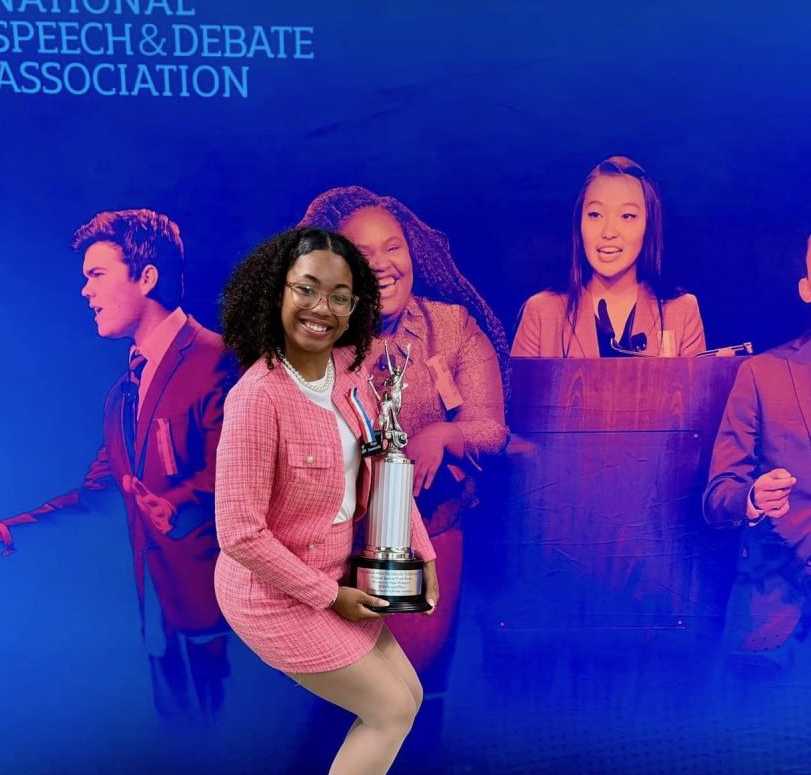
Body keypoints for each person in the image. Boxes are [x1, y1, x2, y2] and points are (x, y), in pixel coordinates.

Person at [0, 209, 233, 720]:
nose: (85, 292)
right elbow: (99, 500)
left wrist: (178, 508)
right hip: (158, 627)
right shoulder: (120, 395)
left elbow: (247, 478)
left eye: (97, 275)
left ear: (147, 277)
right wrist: (1, 532)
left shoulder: (221, 360)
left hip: (229, 627)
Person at [215, 226, 438, 775]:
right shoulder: (258, 398)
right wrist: (329, 596)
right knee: (392, 708)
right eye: (307, 289)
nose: (323, 307)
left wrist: (420, 558)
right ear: (273, 293)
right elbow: (239, 534)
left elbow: (383, 472)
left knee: (405, 694)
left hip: (341, 583)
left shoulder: (349, 376)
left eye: (341, 295)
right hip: (273, 595)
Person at [299, 186, 507, 675]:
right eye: (362, 253)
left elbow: (491, 428)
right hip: (334, 553)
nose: (383, 264)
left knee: (423, 685)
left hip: (434, 538)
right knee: (349, 697)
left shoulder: (453, 328)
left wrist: (442, 434)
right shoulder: (313, 340)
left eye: (393, 247)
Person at [703, 232, 811, 659]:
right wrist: (751, 497)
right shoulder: (762, 374)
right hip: (774, 618)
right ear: (807, 288)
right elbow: (718, 496)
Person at [511, 156, 706, 358]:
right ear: (579, 223)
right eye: (595, 215)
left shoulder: (681, 311)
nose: (608, 232)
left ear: (649, 226)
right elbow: (520, 389)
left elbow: (694, 388)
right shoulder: (542, 312)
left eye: (627, 216)